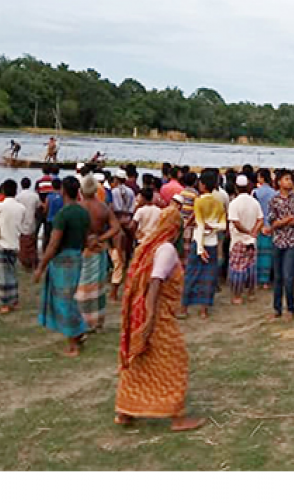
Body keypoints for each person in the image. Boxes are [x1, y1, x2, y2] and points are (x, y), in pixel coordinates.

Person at [114, 206, 206, 432]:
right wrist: (150, 319)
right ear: (176, 229)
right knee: (175, 361)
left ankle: (126, 410)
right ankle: (177, 417)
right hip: (158, 316)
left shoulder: (148, 246)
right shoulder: (166, 250)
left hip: (148, 313)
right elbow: (155, 284)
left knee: (139, 361)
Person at [34, 176, 91, 357]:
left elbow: (53, 244)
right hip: (77, 256)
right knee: (69, 298)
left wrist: (41, 266)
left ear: (63, 191)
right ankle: (79, 330)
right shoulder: (83, 212)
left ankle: (73, 344)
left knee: (64, 300)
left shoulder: (63, 215)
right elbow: (87, 238)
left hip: (63, 260)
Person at [75, 174, 121, 332]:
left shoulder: (78, 208)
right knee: (98, 286)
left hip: (83, 249)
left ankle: (83, 320)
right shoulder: (102, 207)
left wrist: (86, 239)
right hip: (98, 249)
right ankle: (97, 321)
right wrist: (101, 237)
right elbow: (116, 227)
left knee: (82, 287)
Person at [180, 171, 226, 319]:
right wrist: (213, 227)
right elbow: (223, 225)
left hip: (200, 242)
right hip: (212, 242)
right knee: (209, 276)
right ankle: (204, 310)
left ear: (203, 185)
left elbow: (199, 225)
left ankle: (184, 308)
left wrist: (200, 248)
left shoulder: (199, 201)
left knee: (192, 274)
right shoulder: (218, 202)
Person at [268, 170, 294, 321]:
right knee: (278, 277)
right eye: (286, 179)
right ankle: (277, 308)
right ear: (279, 182)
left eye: (290, 179)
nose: (289, 181)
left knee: (288, 276)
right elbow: (273, 223)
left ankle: (290, 308)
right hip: (278, 241)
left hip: (292, 241)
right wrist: (288, 219)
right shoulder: (274, 200)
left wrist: (282, 221)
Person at [0, 179, 26, 314]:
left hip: (2, 243)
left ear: (3, 191)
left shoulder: (0, 206)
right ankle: (14, 301)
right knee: (12, 273)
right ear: (16, 191)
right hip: (15, 243)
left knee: (2, 276)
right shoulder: (21, 208)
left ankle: (5, 304)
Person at [227, 175, 263, 305]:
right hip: (251, 240)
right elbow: (260, 219)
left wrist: (247, 231)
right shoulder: (254, 202)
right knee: (251, 267)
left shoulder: (234, 203)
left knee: (237, 269)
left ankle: (238, 295)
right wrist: (254, 231)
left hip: (238, 240)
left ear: (236, 188)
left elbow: (235, 223)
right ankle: (251, 292)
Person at [110, 169, 136, 301]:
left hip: (117, 218)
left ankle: (117, 268)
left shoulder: (114, 191)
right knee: (129, 245)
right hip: (128, 218)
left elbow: (114, 208)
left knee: (116, 246)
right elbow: (132, 207)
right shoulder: (130, 192)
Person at [253, 169, 277, 290]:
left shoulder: (256, 192)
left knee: (258, 253)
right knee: (268, 255)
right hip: (271, 226)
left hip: (259, 225)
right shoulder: (275, 193)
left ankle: (258, 279)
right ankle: (266, 281)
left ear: (261, 178)